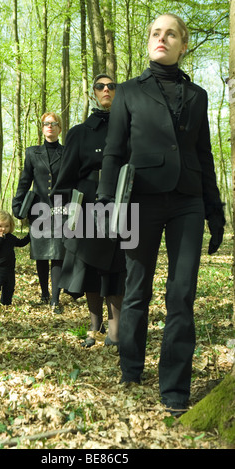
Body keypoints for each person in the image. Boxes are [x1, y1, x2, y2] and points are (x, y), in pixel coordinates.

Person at [97, 14, 225, 415]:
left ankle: (174, 388)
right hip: (139, 201)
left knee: (182, 293)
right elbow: (115, 152)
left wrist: (215, 210)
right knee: (137, 289)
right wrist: (104, 204)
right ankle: (131, 367)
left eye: (171, 33)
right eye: (156, 33)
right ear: (149, 41)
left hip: (187, 201)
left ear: (183, 44)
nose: (161, 38)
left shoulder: (199, 95)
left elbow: (203, 155)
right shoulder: (130, 93)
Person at [52, 74, 126, 347]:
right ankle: (94, 325)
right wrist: (62, 214)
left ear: (118, 92)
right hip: (86, 206)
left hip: (122, 204)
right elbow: (65, 177)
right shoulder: (79, 132)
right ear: (93, 92)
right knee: (90, 266)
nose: (106, 90)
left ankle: (115, 327)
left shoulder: (129, 127)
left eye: (111, 86)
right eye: (100, 86)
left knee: (117, 266)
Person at [12, 112, 65, 313]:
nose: (49, 126)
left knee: (58, 254)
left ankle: (55, 300)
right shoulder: (32, 153)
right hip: (38, 210)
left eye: (54, 123)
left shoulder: (68, 152)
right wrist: (17, 206)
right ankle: (44, 293)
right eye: (46, 124)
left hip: (61, 209)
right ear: (42, 129)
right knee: (42, 255)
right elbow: (25, 181)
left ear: (60, 128)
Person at [0, 210, 30, 306]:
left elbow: (21, 243)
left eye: (6, 226)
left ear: (11, 226)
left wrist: (29, 236)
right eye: (0, 226)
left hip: (9, 269)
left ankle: (6, 304)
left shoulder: (11, 238)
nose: (3, 229)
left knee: (9, 288)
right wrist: (0, 239)